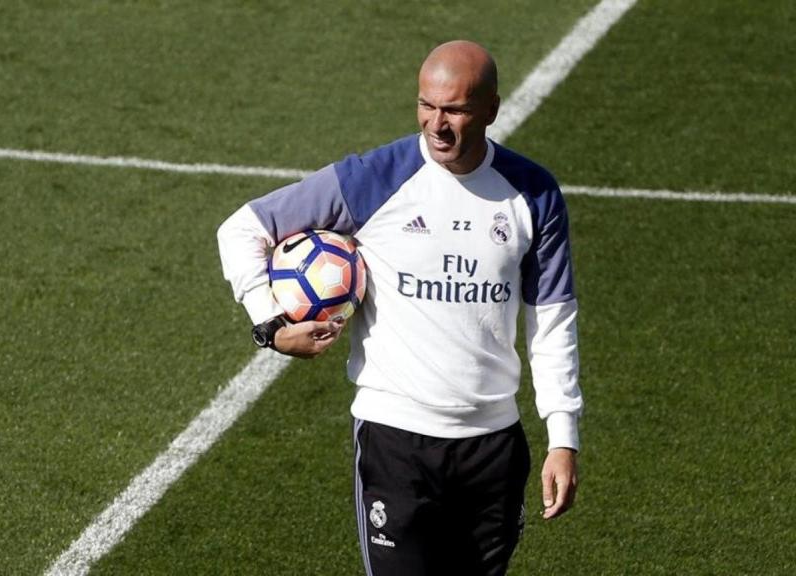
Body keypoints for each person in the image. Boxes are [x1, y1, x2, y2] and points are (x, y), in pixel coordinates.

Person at [217, 40, 582, 576]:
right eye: (426, 106)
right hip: (395, 441)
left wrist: (563, 437)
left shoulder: (533, 194)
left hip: (493, 449)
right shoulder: (374, 179)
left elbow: (552, 321)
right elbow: (243, 229)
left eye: (455, 109)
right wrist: (269, 325)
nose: (438, 124)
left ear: (491, 110)